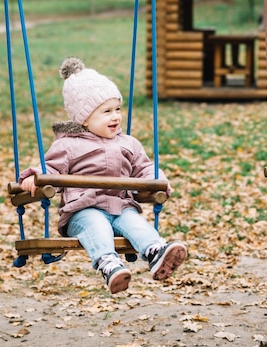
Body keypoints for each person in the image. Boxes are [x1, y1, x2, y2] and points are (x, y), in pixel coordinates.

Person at [20, 57, 187, 294]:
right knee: (96, 225)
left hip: (121, 206)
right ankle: (109, 265)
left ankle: (156, 252)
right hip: (83, 210)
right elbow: (51, 169)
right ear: (84, 119)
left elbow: (144, 168)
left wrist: (158, 180)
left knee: (136, 223)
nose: (115, 116)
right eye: (106, 111)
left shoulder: (128, 143)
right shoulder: (68, 145)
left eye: (117, 109)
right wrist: (34, 176)